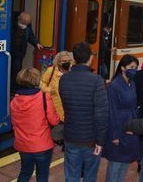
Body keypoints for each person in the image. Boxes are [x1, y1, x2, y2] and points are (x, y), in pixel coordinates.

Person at [59, 42, 109, 182]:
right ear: (91, 58)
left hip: (70, 136)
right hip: (91, 139)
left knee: (71, 175)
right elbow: (102, 115)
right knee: (90, 176)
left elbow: (66, 105)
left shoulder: (64, 79)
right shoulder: (97, 81)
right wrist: (100, 141)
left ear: (74, 59)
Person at [11, 68, 60, 182]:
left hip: (23, 145)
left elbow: (14, 123)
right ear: (37, 80)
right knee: (42, 174)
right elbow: (54, 121)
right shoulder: (43, 97)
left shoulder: (15, 100)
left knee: (25, 172)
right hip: (42, 145)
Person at [103, 55, 140, 182]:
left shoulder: (132, 83)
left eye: (136, 67)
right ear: (123, 68)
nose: (134, 70)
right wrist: (115, 135)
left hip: (130, 126)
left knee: (125, 160)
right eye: (131, 67)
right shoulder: (114, 86)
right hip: (118, 127)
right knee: (115, 163)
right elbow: (112, 112)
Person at [11, 12, 44, 92]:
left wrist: (36, 43)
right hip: (11, 49)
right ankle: (13, 87)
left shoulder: (27, 25)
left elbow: (30, 36)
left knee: (17, 68)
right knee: (13, 68)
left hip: (20, 51)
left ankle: (15, 86)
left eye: (26, 25)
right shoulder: (11, 22)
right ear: (19, 19)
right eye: (22, 24)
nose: (24, 27)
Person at [41, 51, 73, 122]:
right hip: (54, 108)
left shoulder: (73, 72)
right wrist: (49, 90)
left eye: (68, 61)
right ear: (58, 62)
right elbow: (42, 83)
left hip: (68, 109)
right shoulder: (51, 70)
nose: (66, 63)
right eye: (64, 61)